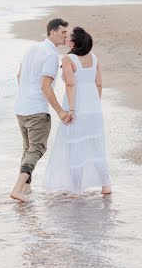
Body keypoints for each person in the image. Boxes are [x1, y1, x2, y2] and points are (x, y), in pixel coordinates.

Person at [42, 26, 112, 196]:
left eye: (68, 36)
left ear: (73, 43)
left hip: (77, 108)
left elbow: (71, 84)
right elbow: (99, 83)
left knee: (75, 147)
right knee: (96, 147)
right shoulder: (94, 58)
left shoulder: (68, 59)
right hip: (94, 109)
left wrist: (72, 109)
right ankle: (106, 185)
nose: (65, 37)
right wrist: (94, 103)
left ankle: (76, 188)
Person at [10, 18, 71, 203]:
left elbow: (19, 75)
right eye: (63, 32)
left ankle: (27, 187)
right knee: (37, 149)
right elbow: (46, 86)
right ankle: (17, 189)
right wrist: (60, 111)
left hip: (21, 108)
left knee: (28, 149)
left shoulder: (32, 49)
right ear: (52, 32)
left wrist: (25, 96)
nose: (65, 36)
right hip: (36, 109)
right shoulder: (51, 56)